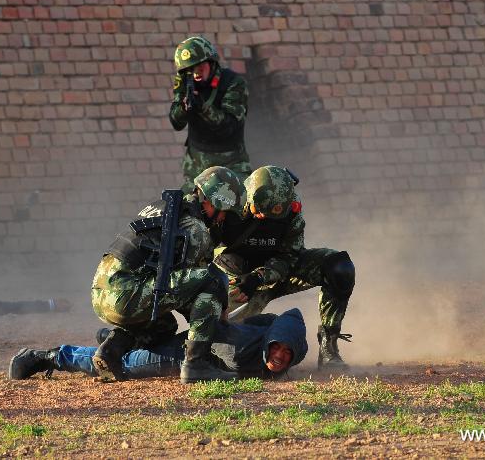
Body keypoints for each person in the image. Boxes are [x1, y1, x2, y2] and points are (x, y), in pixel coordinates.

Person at [91, 166, 246, 384]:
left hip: (102, 295)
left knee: (165, 326)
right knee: (213, 281)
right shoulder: (196, 229)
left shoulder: (166, 207)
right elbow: (194, 288)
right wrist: (214, 321)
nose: (222, 219)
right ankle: (196, 365)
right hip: (127, 294)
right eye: (225, 213)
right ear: (214, 202)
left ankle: (111, 350)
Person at [215, 166, 356, 370]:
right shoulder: (226, 204)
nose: (263, 218)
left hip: (275, 274)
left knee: (339, 268)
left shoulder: (291, 211)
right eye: (259, 212)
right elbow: (205, 252)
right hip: (236, 281)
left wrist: (259, 277)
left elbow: (289, 256)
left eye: (271, 215)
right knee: (220, 340)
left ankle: (329, 349)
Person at [8, 308, 307, 381]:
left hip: (202, 342)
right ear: (269, 344)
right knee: (121, 366)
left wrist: (262, 330)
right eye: (276, 348)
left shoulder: (291, 349)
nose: (279, 356)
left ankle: (112, 338)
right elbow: (285, 317)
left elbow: (282, 318)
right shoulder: (244, 351)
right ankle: (48, 357)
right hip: (184, 355)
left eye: (286, 353)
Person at [168, 36, 252, 193]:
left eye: (199, 67)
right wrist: (184, 108)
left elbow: (229, 126)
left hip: (232, 163)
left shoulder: (232, 82)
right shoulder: (185, 82)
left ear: (211, 62)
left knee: (240, 208)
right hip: (196, 165)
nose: (195, 73)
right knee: (190, 210)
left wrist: (203, 107)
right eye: (190, 69)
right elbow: (176, 122)